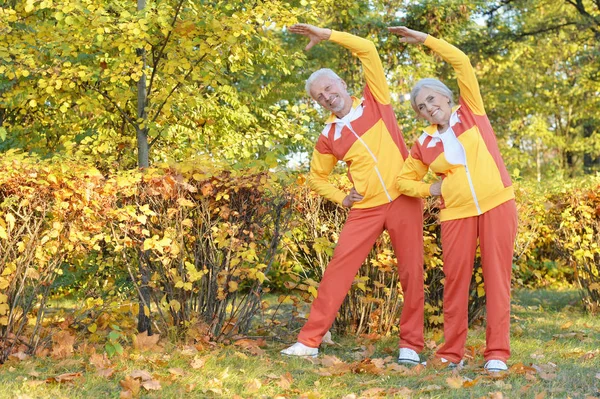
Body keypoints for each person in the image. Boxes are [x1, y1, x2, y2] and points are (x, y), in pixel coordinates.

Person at [280, 23, 425, 365]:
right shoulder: (329, 135)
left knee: (411, 272)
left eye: (329, 88)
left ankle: (411, 346)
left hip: (403, 199)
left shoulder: (376, 103)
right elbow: (316, 177)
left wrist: (326, 35)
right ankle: (309, 342)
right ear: (318, 103)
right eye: (320, 96)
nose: (327, 96)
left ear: (342, 85)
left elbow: (368, 50)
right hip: (366, 209)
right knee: (337, 272)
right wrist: (341, 197)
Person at [389, 26, 518, 373]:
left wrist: (426, 40)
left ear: (446, 98)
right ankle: (451, 354)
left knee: (496, 279)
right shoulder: (424, 143)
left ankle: (497, 354)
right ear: (419, 114)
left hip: (497, 204)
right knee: (456, 285)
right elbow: (404, 180)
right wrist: (431, 189)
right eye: (421, 106)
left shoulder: (471, 113)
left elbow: (461, 61)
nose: (429, 107)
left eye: (433, 99)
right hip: (456, 214)